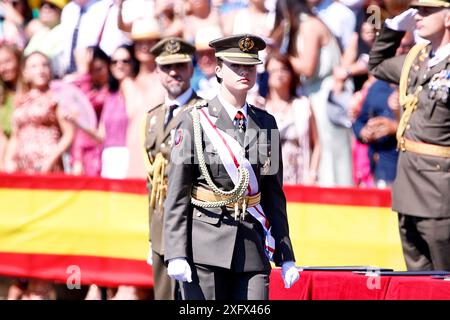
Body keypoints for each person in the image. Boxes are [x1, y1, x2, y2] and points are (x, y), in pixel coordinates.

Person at [163, 34, 299, 300]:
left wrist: (286, 254)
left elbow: (273, 194)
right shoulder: (192, 121)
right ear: (218, 69)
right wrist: (176, 252)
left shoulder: (266, 123)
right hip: (205, 246)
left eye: (249, 66)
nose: (244, 72)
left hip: (252, 245)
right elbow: (177, 194)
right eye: (235, 66)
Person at [368, 1, 450, 271]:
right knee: (416, 279)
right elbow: (377, 65)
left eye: (427, 10)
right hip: (408, 183)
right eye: (417, 9)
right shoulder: (417, 59)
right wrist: (392, 27)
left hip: (440, 189)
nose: (418, 15)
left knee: (444, 275)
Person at [142, 37, 202, 300]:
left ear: (192, 68)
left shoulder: (203, 112)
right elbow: (151, 181)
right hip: (160, 224)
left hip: (192, 224)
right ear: (157, 71)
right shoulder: (153, 117)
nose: (174, 73)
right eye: (167, 68)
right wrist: (152, 234)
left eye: (180, 65)